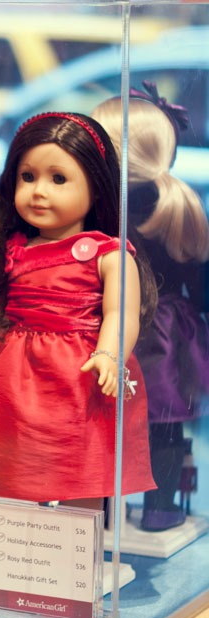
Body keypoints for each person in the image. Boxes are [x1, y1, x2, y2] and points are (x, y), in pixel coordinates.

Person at [0, 112, 156, 508]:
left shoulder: (109, 254)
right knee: (15, 460)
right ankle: (23, 537)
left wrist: (110, 355)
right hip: (11, 375)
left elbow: (120, 314)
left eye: (58, 179)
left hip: (79, 375)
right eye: (28, 177)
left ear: (97, 186)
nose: (39, 192)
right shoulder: (10, 249)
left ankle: (79, 540)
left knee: (81, 462)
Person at [92, 83, 209, 530]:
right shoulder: (181, 205)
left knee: (107, 421)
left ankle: (103, 509)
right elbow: (200, 288)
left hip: (121, 327)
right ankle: (160, 508)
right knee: (165, 423)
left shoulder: (108, 209)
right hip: (167, 331)